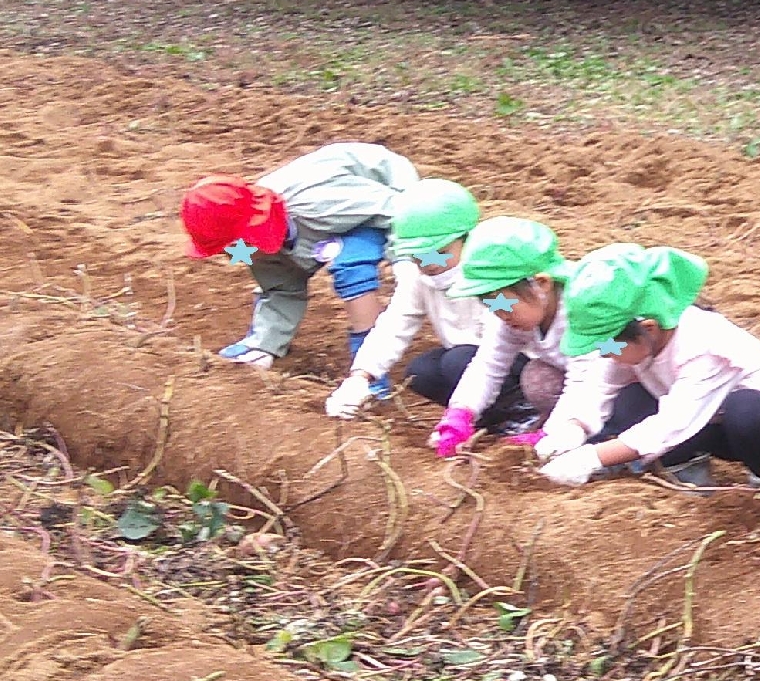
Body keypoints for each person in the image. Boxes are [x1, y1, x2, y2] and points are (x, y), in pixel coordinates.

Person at [542, 243, 760, 490]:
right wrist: (571, 428)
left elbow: (673, 424)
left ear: (648, 328)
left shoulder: (704, 345)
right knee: (632, 399)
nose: (603, 353)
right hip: (708, 422)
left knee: (746, 411)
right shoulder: (643, 342)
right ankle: (688, 474)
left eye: (607, 344)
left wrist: (591, 458)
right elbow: (598, 386)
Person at [181, 142, 417, 370]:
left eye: (229, 247)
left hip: (387, 190)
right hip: (350, 215)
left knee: (351, 267)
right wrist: (264, 344)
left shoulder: (319, 205)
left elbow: (402, 211)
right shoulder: (258, 243)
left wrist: (404, 260)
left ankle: (370, 363)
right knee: (335, 262)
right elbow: (282, 288)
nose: (231, 255)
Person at [325, 178, 493, 418]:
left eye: (440, 252)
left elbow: (501, 341)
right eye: (419, 256)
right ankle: (488, 419)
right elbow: (395, 324)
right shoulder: (418, 278)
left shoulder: (491, 275)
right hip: (468, 361)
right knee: (422, 371)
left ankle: (518, 412)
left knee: (457, 361)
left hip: (508, 362)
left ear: (466, 239)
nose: (429, 263)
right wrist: (360, 377)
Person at [431, 217, 590, 458]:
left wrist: (553, 433)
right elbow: (488, 364)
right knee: (538, 377)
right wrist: (460, 413)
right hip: (579, 383)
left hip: (621, 388)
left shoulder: (583, 313)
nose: (498, 313)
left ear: (541, 284)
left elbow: (587, 382)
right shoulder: (510, 315)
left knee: (617, 410)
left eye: (501, 302)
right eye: (489, 304)